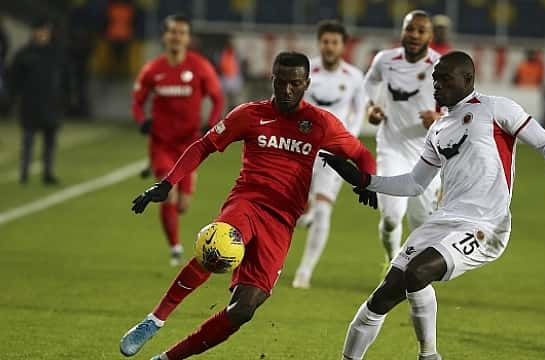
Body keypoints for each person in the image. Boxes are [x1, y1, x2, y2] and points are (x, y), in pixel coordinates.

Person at [321, 51, 545, 360]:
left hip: (485, 225)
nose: (436, 86)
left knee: (418, 272)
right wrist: (363, 179)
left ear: (468, 79)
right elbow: (414, 183)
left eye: (445, 79)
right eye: (435, 79)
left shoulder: (496, 109)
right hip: (443, 221)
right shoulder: (438, 129)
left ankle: (429, 355)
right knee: (383, 295)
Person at [119, 51, 377, 360]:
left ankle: (167, 358)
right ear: (272, 79)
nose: (286, 90)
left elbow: (361, 153)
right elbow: (204, 145)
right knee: (213, 248)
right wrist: (167, 183)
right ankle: (154, 320)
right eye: (280, 82)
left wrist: (368, 181)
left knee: (243, 310)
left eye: (294, 83)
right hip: (247, 201)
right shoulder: (250, 114)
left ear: (306, 83)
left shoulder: (319, 123)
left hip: (282, 220)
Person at [132, 14, 225, 266]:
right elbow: (138, 100)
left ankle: (175, 236)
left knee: (183, 205)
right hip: (161, 144)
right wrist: (142, 121)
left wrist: (211, 124)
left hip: (189, 145)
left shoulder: (200, 66)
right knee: (168, 196)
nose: (176, 37)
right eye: (172, 32)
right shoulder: (153, 69)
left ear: (188, 37)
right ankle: (175, 248)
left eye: (181, 32)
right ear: (165, 36)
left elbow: (217, 97)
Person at [291, 20, 366, 289]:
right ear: (319, 43)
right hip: (300, 149)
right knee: (290, 207)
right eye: (325, 41)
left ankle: (304, 271)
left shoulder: (355, 78)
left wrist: (347, 143)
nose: (330, 46)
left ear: (343, 46)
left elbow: (358, 113)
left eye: (335, 42)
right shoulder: (305, 71)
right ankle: (304, 214)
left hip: (332, 153)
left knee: (323, 209)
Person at [364, 10, 442, 269]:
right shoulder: (385, 60)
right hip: (392, 148)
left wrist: (438, 117)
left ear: (430, 35)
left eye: (421, 30)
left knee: (421, 225)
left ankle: (408, 271)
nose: (415, 35)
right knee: (390, 217)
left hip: (427, 155)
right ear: (402, 31)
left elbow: (460, 107)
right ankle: (391, 259)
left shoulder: (441, 66)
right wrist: (372, 107)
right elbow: (369, 84)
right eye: (410, 29)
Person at [10, 18, 65, 185]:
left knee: (50, 141)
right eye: (41, 30)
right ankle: (24, 173)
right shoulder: (23, 54)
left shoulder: (56, 53)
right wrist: (13, 98)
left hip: (51, 102)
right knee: (28, 141)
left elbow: (64, 77)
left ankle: (48, 173)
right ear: (34, 32)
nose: (44, 34)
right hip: (30, 103)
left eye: (46, 31)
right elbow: (14, 79)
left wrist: (67, 97)